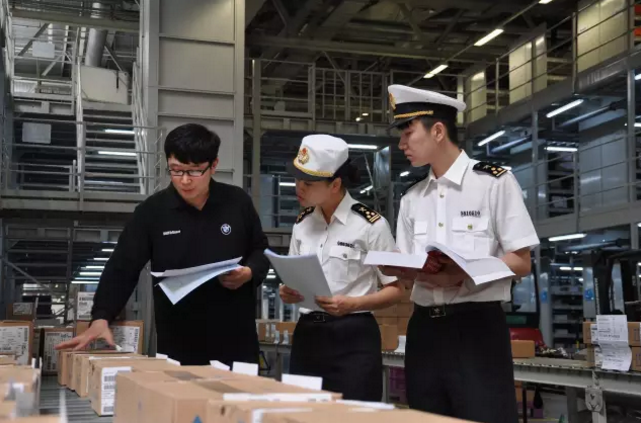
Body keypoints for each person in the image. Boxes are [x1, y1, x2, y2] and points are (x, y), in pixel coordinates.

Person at [382, 85, 540, 423]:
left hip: (476, 328)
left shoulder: (493, 183)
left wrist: (462, 273)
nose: (402, 144)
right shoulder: (412, 198)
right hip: (424, 329)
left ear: (438, 131)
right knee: (427, 418)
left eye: (408, 133)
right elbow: (407, 266)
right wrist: (400, 266)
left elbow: (521, 261)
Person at [56, 123, 270, 366]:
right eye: (176, 170)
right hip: (179, 346)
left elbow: (261, 250)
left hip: (237, 343)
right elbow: (122, 267)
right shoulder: (152, 212)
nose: (185, 180)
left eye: (194, 171)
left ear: (213, 165)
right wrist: (101, 316)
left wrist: (249, 272)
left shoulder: (237, 203)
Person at [279, 134, 403, 401]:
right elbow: (294, 274)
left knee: (354, 413)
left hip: (353, 337)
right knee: (303, 412)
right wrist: (288, 291)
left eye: (308, 183)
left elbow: (395, 289)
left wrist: (354, 304)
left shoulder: (371, 226)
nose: (298, 187)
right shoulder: (302, 223)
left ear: (335, 184)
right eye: (297, 179)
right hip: (308, 334)